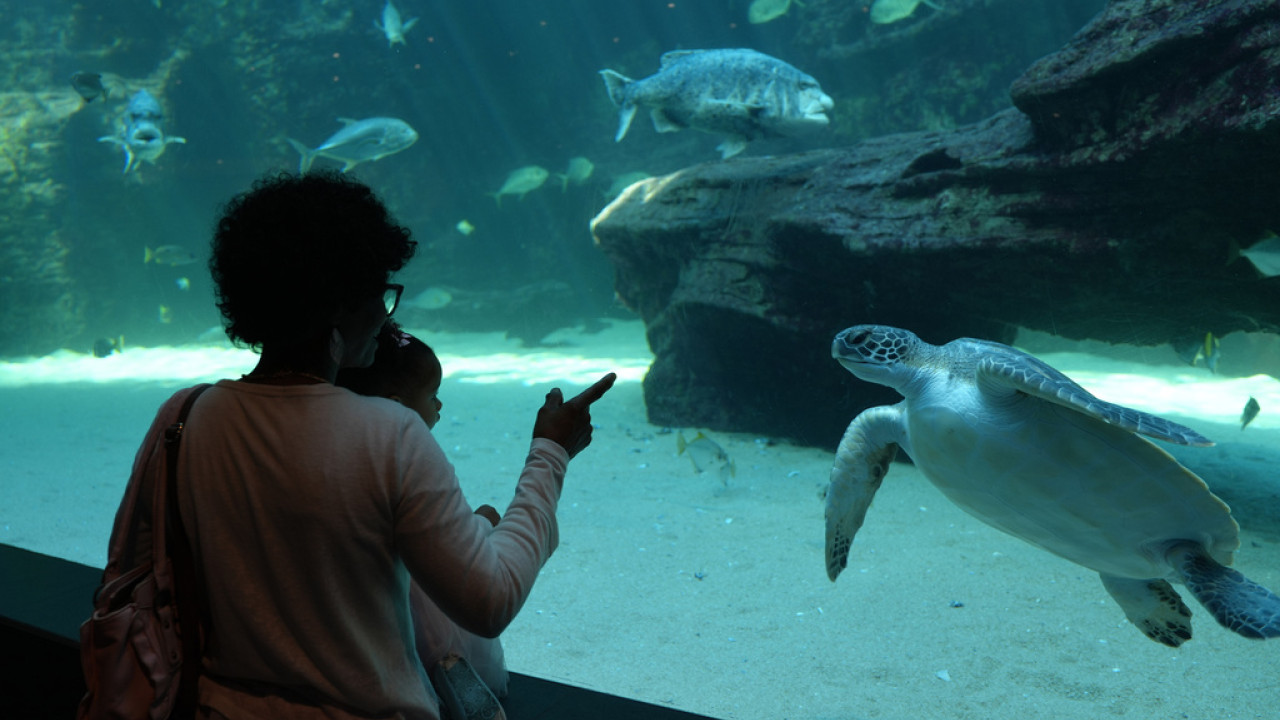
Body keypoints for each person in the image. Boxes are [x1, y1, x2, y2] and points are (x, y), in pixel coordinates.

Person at [130, 171, 615, 719]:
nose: (385, 314)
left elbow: (132, 575)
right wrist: (549, 454)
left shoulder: (185, 415)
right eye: (380, 293)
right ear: (343, 302)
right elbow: (490, 599)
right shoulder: (390, 432)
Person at [336, 322, 511, 698]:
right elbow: (453, 554)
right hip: (428, 652)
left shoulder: (340, 460)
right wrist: (482, 523)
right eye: (433, 395)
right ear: (397, 409)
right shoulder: (411, 461)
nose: (439, 405)